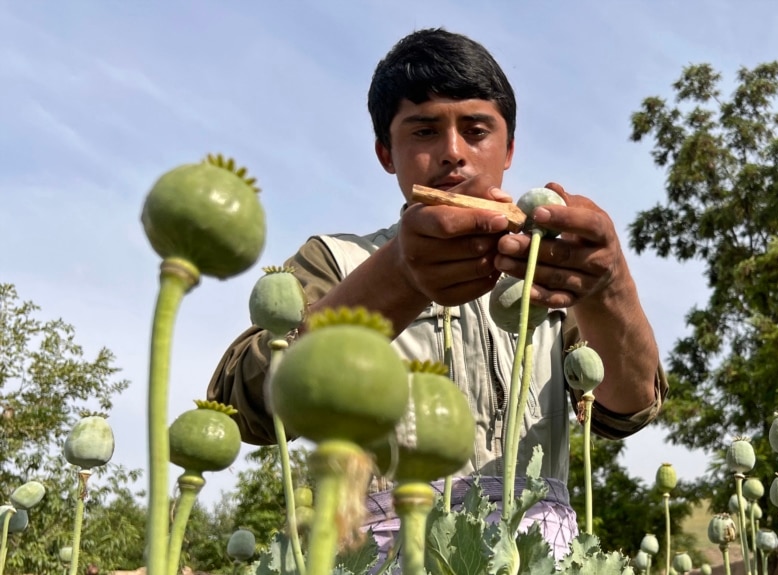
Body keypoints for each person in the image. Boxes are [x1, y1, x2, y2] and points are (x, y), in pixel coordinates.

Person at [206, 27, 668, 564]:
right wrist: (397, 279)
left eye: (476, 130)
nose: (452, 154)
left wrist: (609, 288)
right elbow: (240, 406)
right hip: (384, 556)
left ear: (510, 148)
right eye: (424, 131)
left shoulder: (551, 268)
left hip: (539, 557)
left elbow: (625, 410)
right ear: (386, 152)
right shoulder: (336, 261)